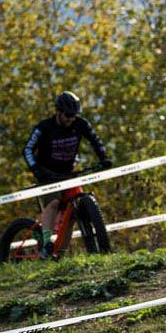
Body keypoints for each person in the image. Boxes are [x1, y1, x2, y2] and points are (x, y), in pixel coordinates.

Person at [23, 90, 111, 258]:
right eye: (68, 115)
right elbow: (27, 149)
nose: (71, 119)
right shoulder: (44, 127)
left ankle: (60, 254)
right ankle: (47, 244)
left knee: (73, 212)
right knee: (54, 203)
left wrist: (104, 158)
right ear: (58, 112)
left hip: (68, 173)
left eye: (74, 115)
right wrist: (36, 169)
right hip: (47, 175)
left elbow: (96, 140)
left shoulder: (80, 124)